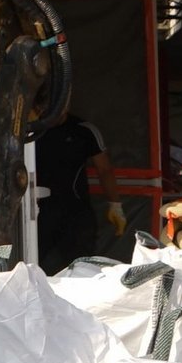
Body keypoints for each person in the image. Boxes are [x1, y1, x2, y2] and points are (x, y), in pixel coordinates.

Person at [29, 112, 113, 269]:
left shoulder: (83, 129)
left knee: (80, 266)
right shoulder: (30, 129)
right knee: (30, 262)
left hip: (74, 211)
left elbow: (104, 169)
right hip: (36, 211)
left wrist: (115, 204)